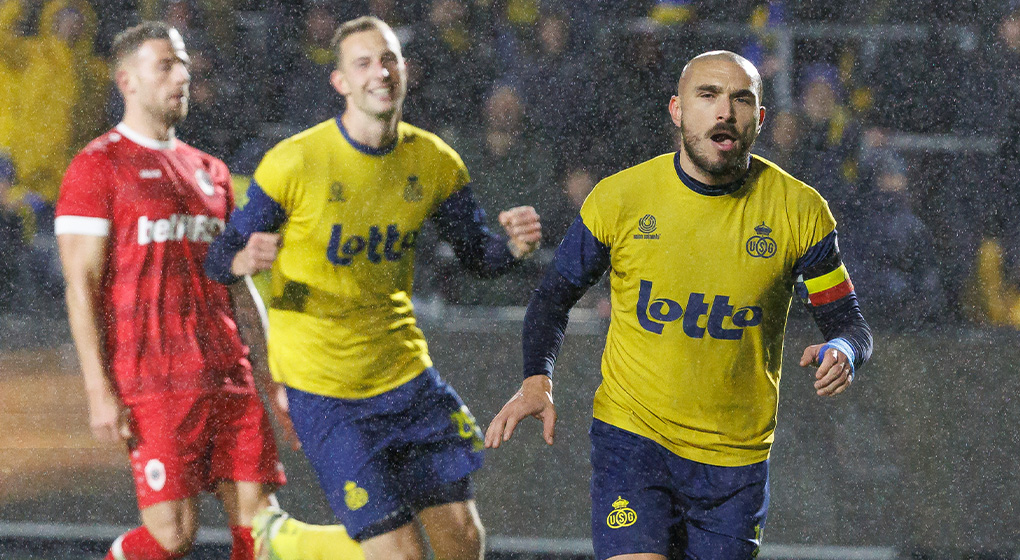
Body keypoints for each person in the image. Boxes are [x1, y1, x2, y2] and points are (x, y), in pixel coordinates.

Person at [485, 50, 873, 560]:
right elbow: (553, 296)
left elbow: (848, 323)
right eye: (707, 95)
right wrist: (537, 379)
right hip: (633, 440)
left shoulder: (799, 211)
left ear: (758, 119)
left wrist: (844, 350)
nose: (723, 111)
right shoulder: (620, 199)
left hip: (734, 463)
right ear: (677, 110)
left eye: (740, 99)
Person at [204, 15, 542, 560]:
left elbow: (480, 257)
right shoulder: (293, 162)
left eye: (388, 59)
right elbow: (217, 260)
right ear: (340, 81)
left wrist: (513, 249)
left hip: (406, 378)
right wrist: (242, 257)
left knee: (464, 542)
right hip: (328, 393)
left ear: (405, 70)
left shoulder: (434, 161)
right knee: (400, 556)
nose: (379, 72)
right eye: (363, 63)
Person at [55, 22, 290, 560]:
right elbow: (80, 285)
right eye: (165, 64)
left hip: (230, 374)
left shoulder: (212, 171)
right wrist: (98, 388)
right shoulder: (97, 165)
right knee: (172, 535)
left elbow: (237, 281)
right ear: (126, 80)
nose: (182, 75)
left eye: (182, 62)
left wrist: (274, 377)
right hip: (155, 379)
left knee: (262, 535)